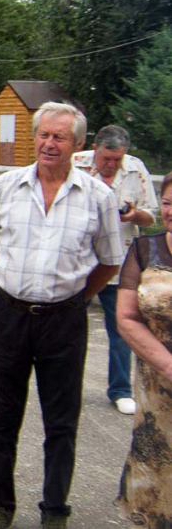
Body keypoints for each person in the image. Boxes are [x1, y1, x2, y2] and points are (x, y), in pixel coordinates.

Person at [0, 102, 124, 529]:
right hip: (9, 316)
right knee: (3, 418)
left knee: (62, 422)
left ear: (78, 145)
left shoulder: (98, 196)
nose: (48, 143)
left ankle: (55, 510)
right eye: (43, 134)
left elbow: (110, 261)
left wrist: (77, 299)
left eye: (59, 136)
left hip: (65, 319)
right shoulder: (6, 185)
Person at [72, 125, 158, 415]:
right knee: (68, 329)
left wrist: (134, 215)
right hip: (80, 262)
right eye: (106, 158)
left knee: (121, 329)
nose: (111, 165)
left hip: (119, 265)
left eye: (117, 159)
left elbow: (150, 217)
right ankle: (67, 385)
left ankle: (120, 390)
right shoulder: (74, 163)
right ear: (95, 149)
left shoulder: (136, 169)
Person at [116, 172, 172, 528]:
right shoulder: (143, 250)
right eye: (168, 203)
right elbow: (126, 317)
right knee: (156, 490)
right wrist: (168, 365)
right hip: (156, 397)